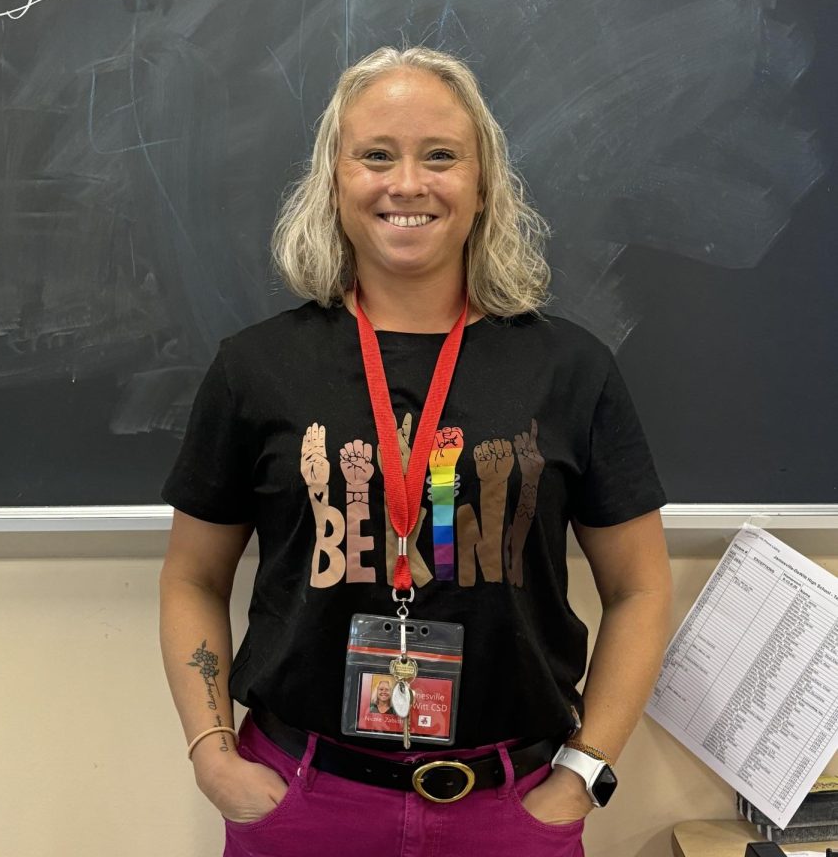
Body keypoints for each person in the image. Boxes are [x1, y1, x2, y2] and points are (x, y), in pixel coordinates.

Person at [159, 45, 672, 857]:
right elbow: (192, 575)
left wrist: (585, 773)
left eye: (441, 156)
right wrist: (211, 755)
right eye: (376, 156)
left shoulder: (570, 369)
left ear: (483, 184)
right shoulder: (256, 368)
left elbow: (641, 588)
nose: (407, 184)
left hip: (510, 807)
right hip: (302, 800)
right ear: (334, 179)